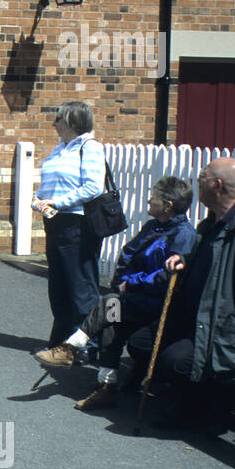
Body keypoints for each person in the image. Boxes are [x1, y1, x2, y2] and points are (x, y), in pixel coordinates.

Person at [129, 157, 235, 428]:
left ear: (216, 185)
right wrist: (185, 259)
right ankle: (191, 399)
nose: (196, 182)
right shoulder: (212, 223)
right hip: (198, 321)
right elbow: (212, 261)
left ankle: (202, 409)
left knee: (174, 361)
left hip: (232, 331)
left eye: (201, 177)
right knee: (140, 342)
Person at [33, 176, 196, 411]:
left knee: (110, 305)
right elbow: (128, 253)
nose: (149, 200)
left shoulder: (183, 235)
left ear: (168, 205)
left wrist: (133, 284)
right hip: (134, 299)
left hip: (156, 304)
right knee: (111, 323)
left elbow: (168, 277)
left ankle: (71, 348)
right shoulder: (153, 226)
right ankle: (106, 388)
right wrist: (123, 280)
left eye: (155, 197)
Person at [31, 101, 107, 348]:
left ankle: (89, 345)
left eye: (58, 119)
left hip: (78, 223)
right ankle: (61, 341)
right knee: (59, 286)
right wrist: (38, 200)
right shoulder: (59, 149)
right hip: (55, 222)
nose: (54, 124)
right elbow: (48, 186)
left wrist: (58, 203)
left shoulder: (90, 148)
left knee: (81, 287)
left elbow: (93, 187)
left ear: (73, 121)